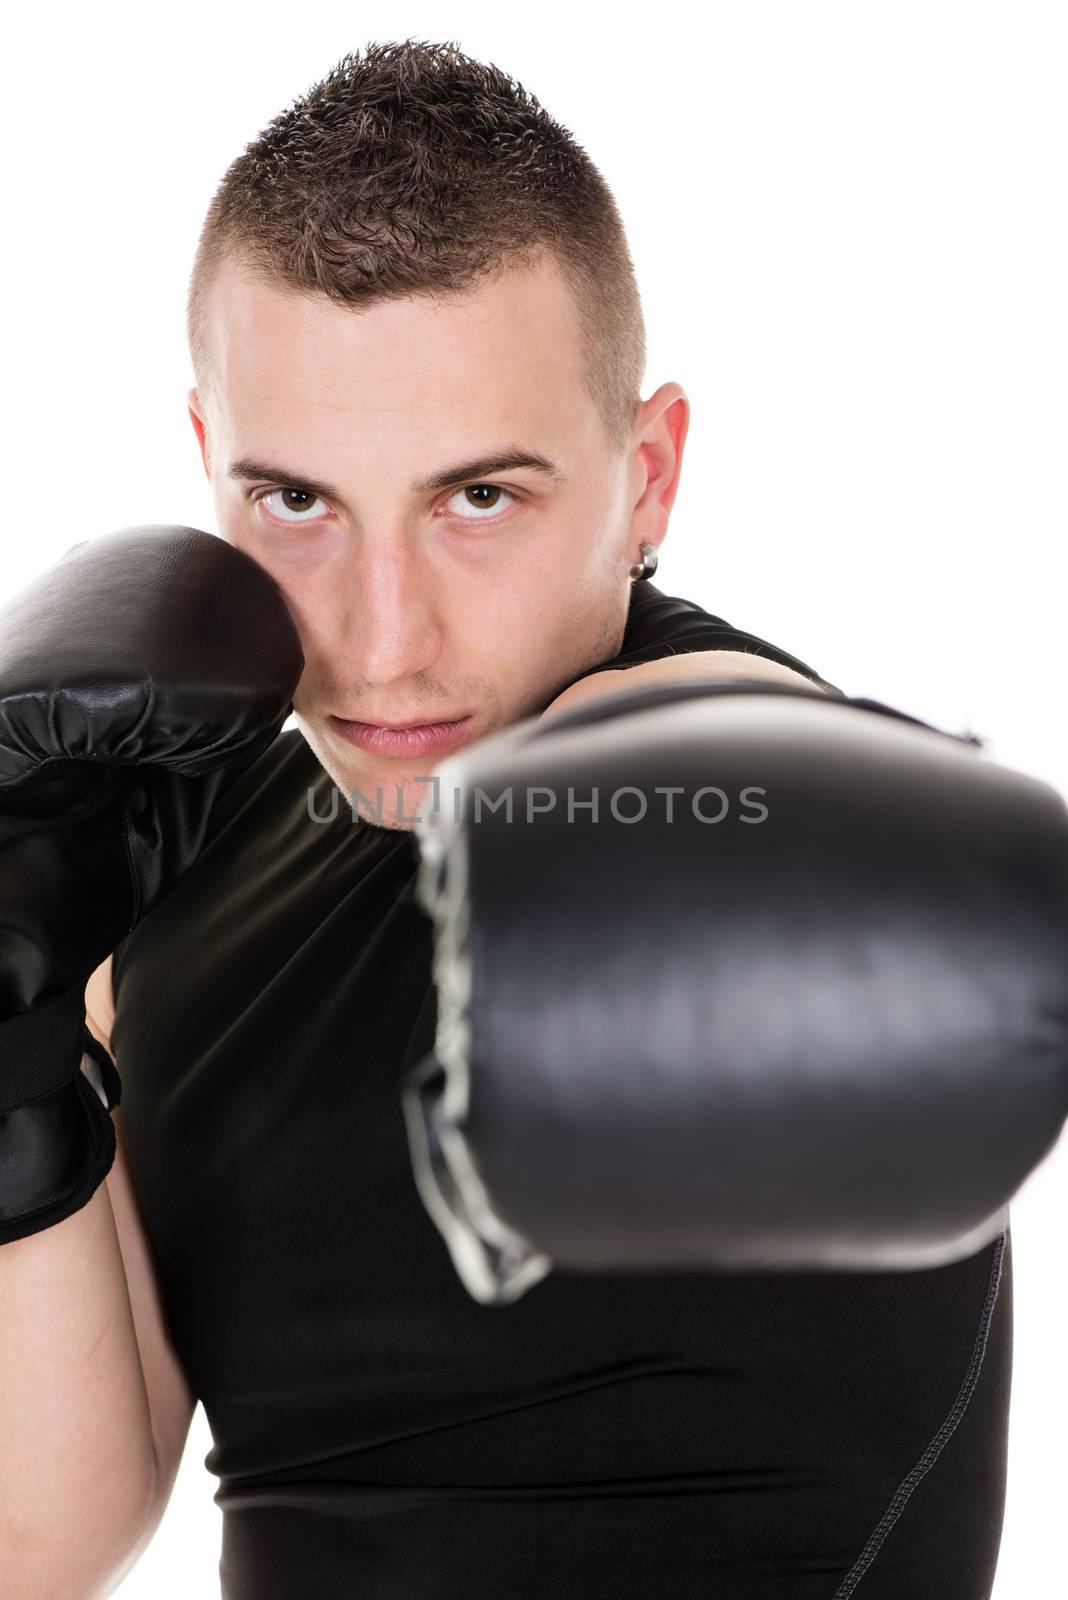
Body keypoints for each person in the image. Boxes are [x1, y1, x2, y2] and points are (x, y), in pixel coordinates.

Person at [4, 39, 1010, 1599]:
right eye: (298, 505)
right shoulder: (169, 860)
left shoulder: (715, 742)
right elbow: (42, 1539)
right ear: (208, 467)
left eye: (480, 499)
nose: (383, 636)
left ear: (649, 474)